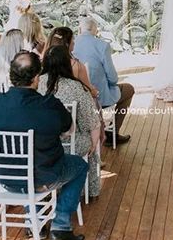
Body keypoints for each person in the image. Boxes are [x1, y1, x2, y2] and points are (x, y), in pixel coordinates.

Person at [0, 51, 86, 240]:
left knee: (33, 163)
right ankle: (61, 225)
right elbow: (68, 129)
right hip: (43, 178)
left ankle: (34, 223)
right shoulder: (48, 105)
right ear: (36, 78)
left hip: (5, 178)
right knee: (79, 166)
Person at [45, 45, 103, 198]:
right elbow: (92, 122)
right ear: (66, 63)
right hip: (71, 143)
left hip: (42, 145)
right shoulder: (76, 87)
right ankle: (88, 190)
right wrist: (94, 143)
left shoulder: (36, 83)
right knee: (90, 143)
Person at [74, 17, 134, 146]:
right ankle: (113, 132)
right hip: (98, 97)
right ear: (95, 30)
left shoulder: (72, 44)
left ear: (80, 29)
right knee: (129, 89)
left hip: (76, 98)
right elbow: (113, 78)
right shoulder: (102, 45)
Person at [45, 27, 99, 99]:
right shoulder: (76, 65)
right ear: (67, 44)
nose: (74, 42)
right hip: (72, 106)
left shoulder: (44, 63)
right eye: (72, 39)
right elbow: (88, 91)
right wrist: (94, 91)